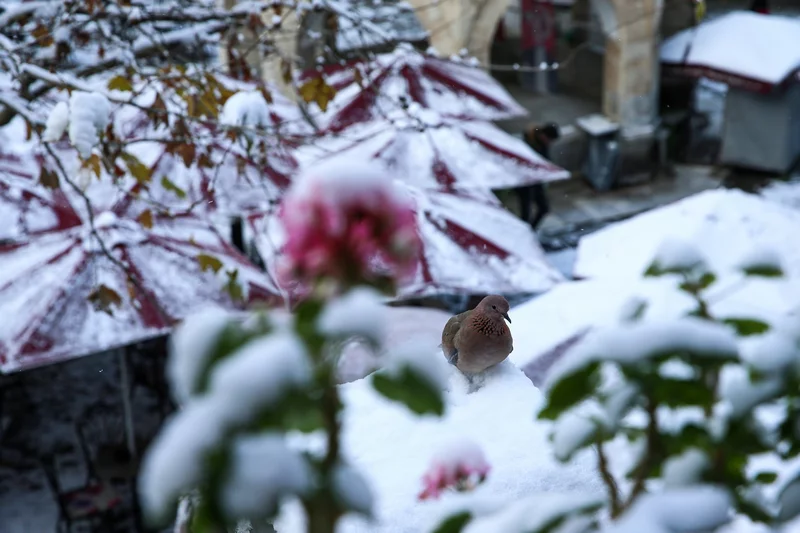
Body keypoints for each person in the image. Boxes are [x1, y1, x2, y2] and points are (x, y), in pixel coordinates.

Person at [518, 122, 560, 230]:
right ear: (544, 135)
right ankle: (524, 232)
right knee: (525, 212)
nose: (550, 143)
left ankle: (530, 230)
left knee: (544, 208)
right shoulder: (529, 142)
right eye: (549, 140)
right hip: (525, 182)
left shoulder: (542, 144)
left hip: (537, 181)